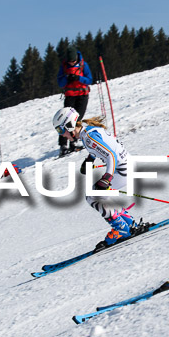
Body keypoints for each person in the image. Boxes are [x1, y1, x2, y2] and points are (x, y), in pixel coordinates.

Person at [52, 107, 143, 250]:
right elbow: (100, 148)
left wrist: (106, 178)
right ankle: (128, 223)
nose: (62, 135)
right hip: (126, 167)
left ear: (69, 125)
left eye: (60, 130)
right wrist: (90, 159)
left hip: (123, 170)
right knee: (99, 195)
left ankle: (121, 229)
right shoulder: (88, 132)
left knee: (93, 196)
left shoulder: (89, 137)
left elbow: (110, 155)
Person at [56, 46, 93, 156]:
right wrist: (67, 78)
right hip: (70, 96)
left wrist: (78, 78)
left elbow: (89, 80)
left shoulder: (83, 65)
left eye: (73, 61)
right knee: (65, 120)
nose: (71, 63)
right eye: (70, 61)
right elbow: (60, 83)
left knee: (77, 119)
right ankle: (63, 145)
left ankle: (74, 142)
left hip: (82, 95)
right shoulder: (64, 66)